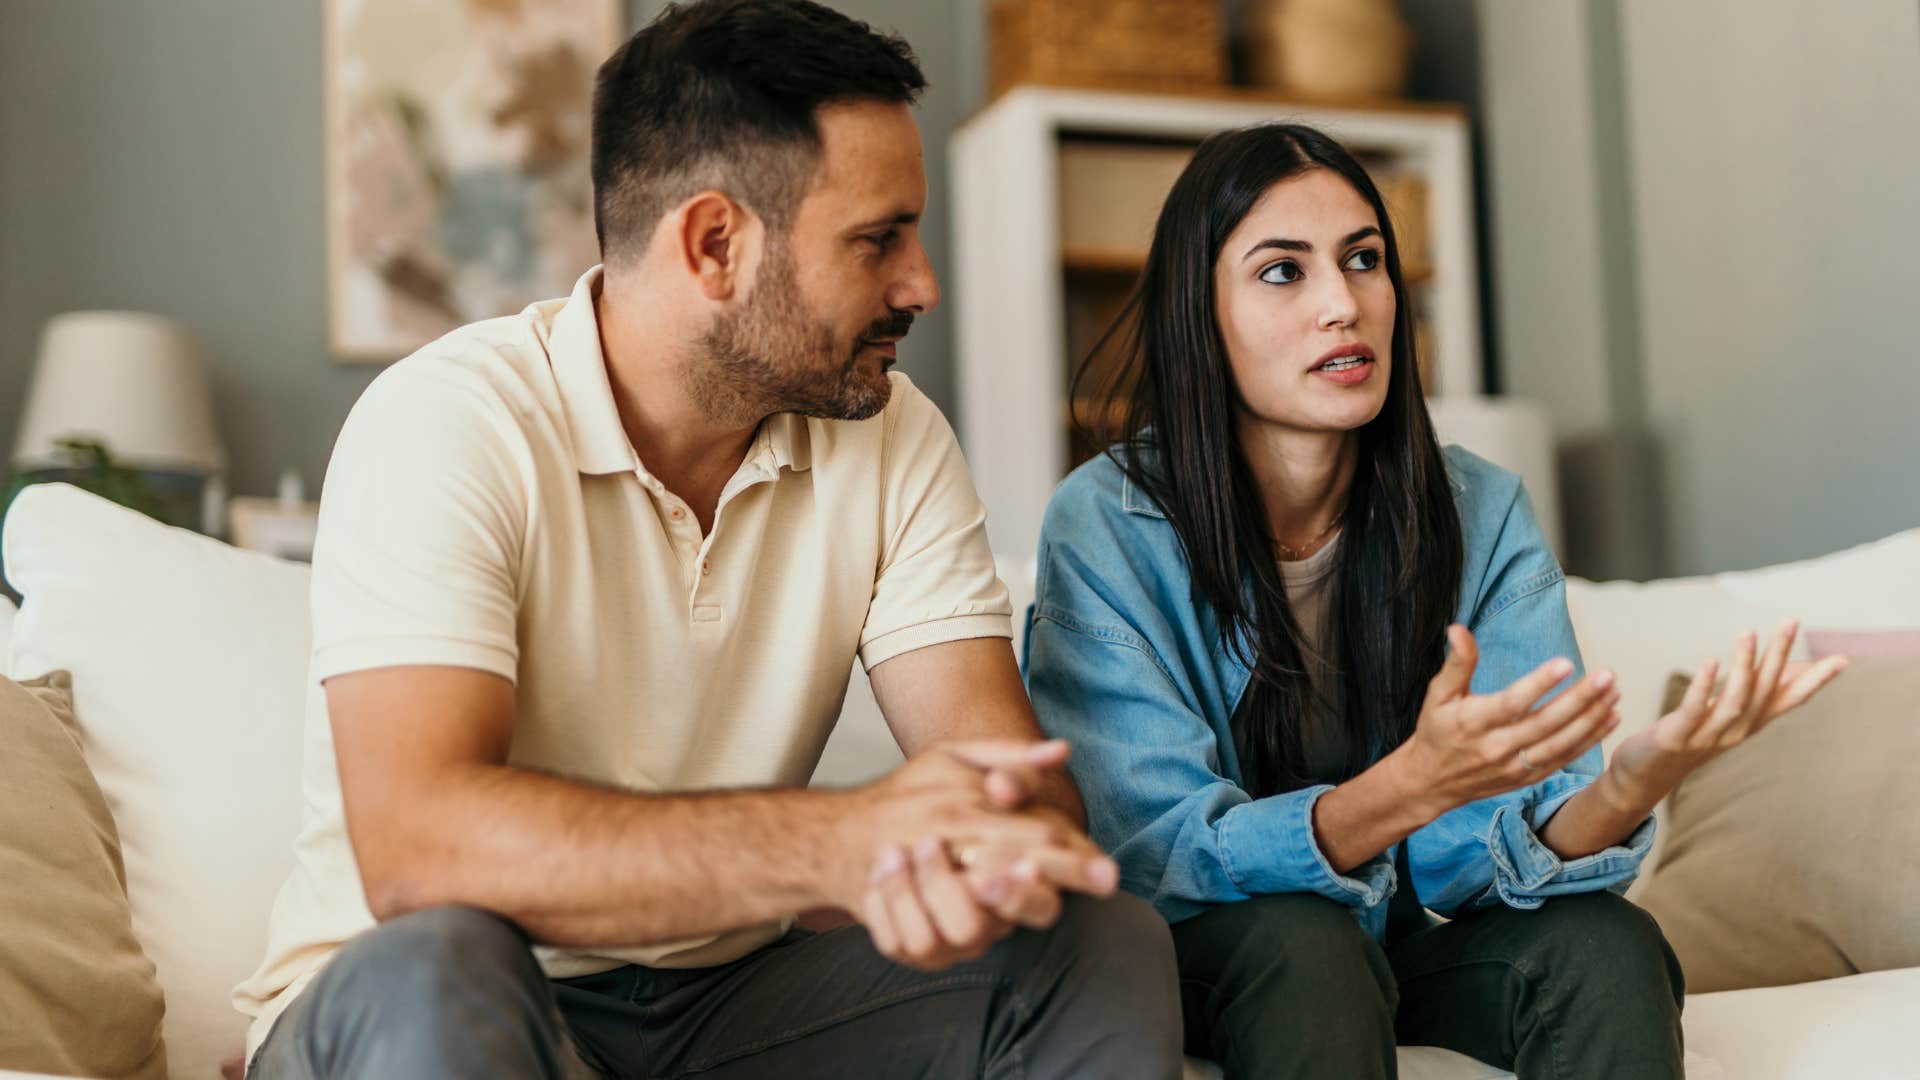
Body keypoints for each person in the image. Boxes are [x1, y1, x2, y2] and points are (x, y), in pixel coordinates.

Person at [234, 2, 1183, 1076]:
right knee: (443, 966)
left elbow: (1005, 785)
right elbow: (423, 849)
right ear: (715, 243)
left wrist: (977, 866)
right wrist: (833, 845)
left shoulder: (892, 436)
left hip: (727, 1007)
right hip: (449, 990)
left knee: (1093, 943)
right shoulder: (449, 421)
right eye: (880, 239)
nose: (921, 284)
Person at [1021, 122, 1849, 1079]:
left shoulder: (1479, 509)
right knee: (1303, 944)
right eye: (1283, 271)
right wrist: (1407, 786)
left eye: (1363, 260)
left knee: (1605, 944)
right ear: (1196, 313)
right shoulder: (1106, 523)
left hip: (1398, 949)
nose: (1343, 304)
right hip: (1211, 955)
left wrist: (1633, 780)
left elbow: (1485, 852)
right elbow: (1156, 854)